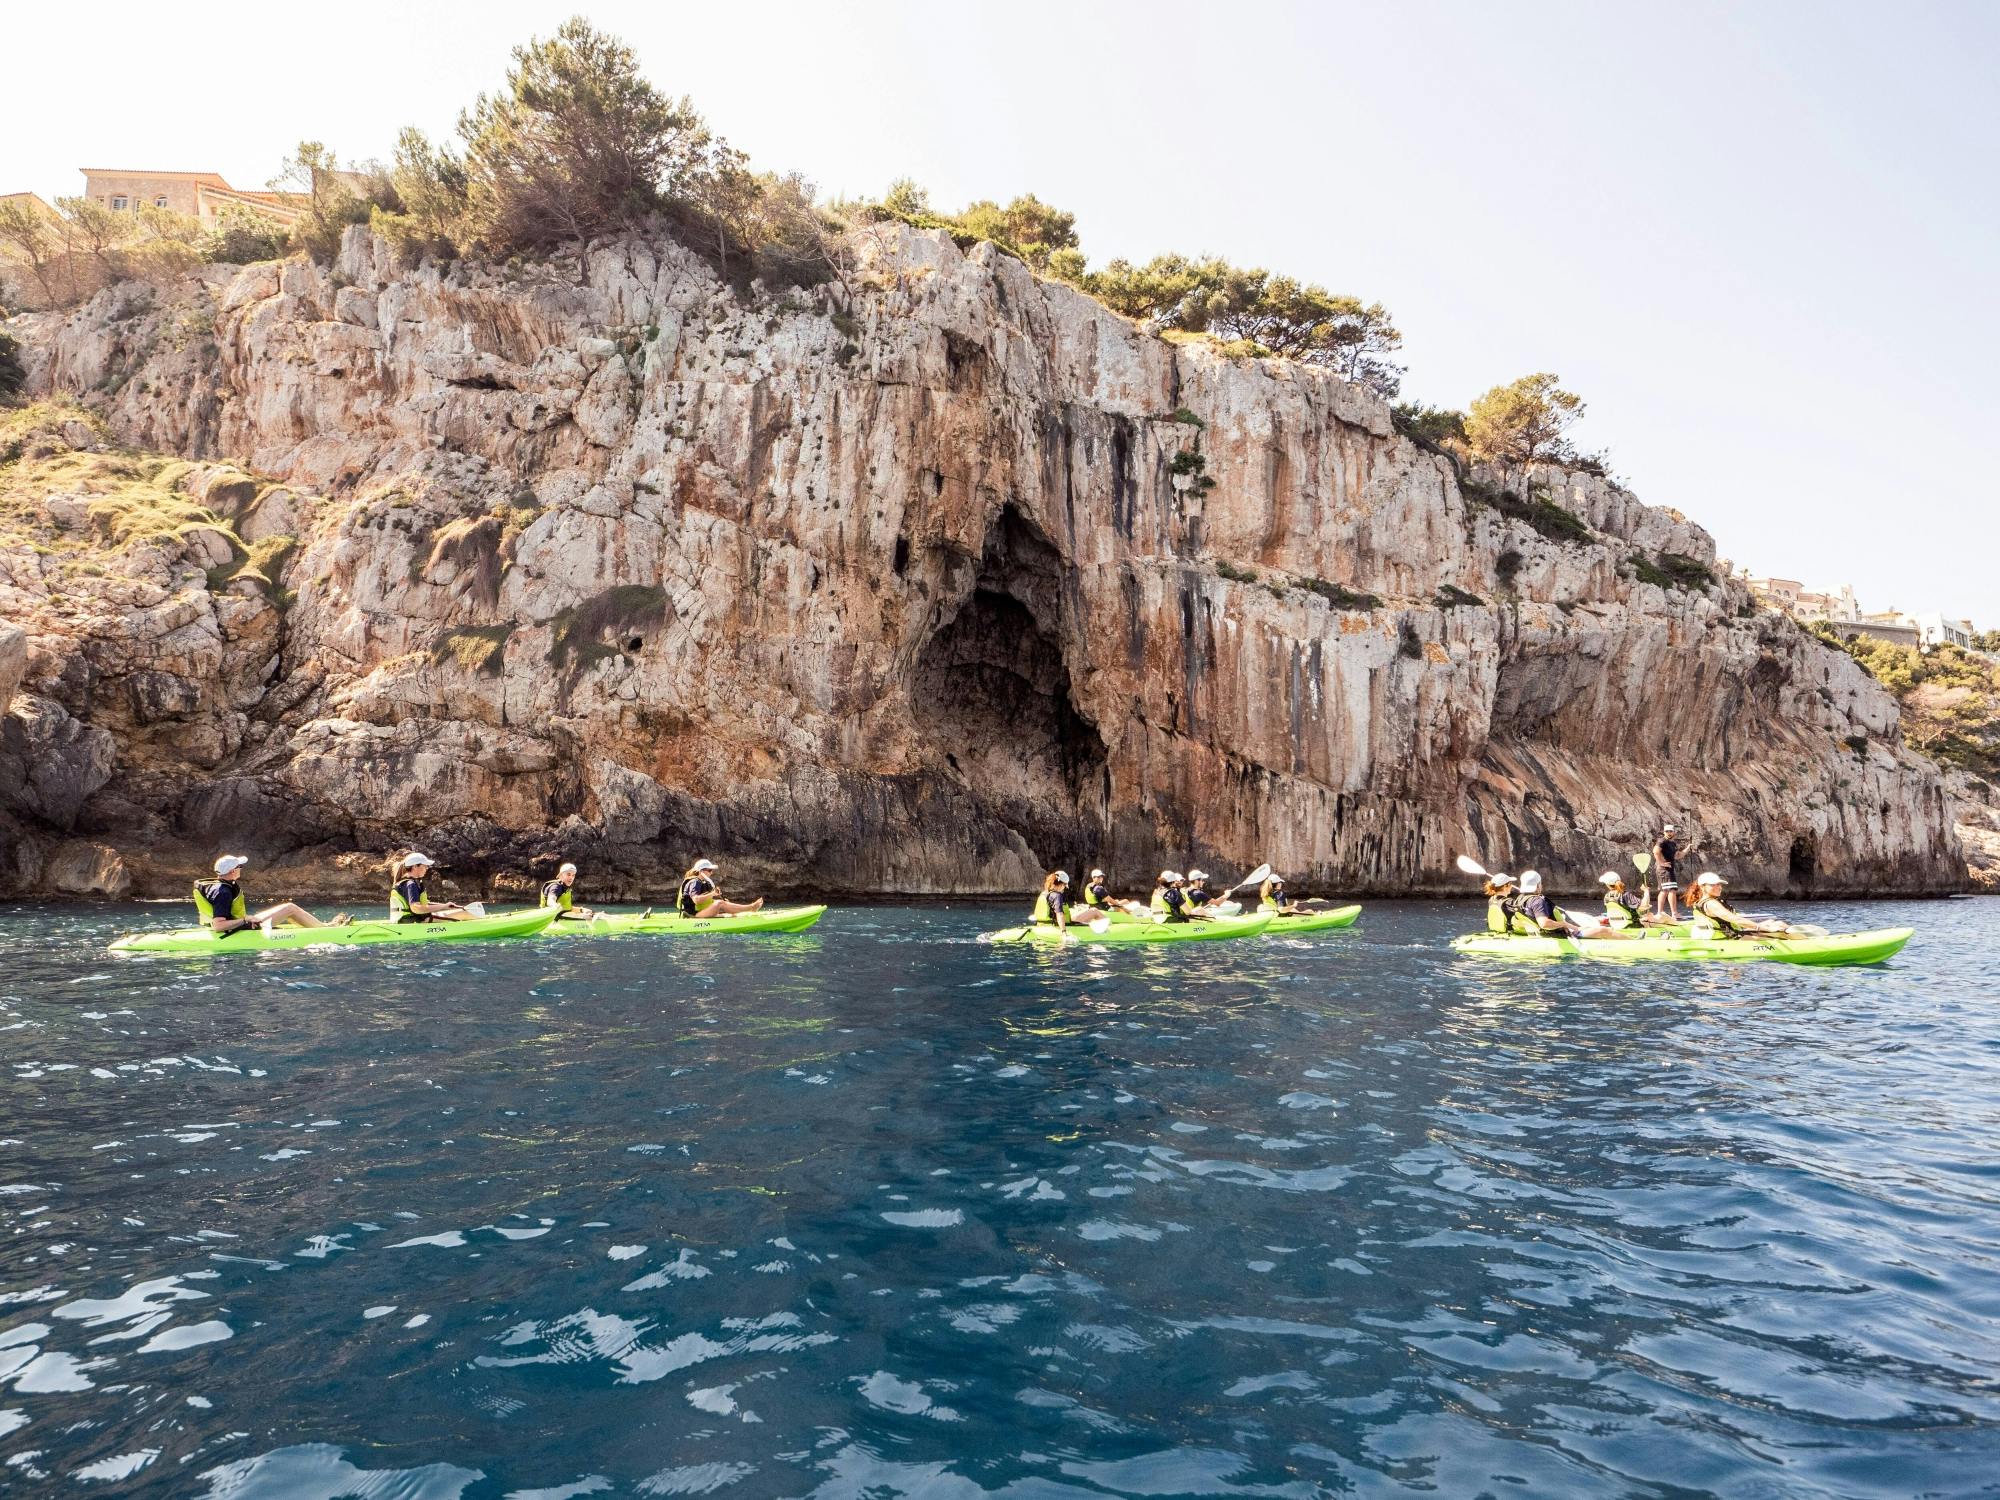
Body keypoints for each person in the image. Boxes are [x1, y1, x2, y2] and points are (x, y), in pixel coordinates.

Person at [193, 854, 346, 934]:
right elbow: (218, 926)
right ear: (233, 871)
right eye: (240, 866)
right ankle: (325, 929)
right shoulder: (223, 892)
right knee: (290, 908)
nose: (241, 869)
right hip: (236, 929)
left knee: (288, 908)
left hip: (240, 924)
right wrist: (245, 920)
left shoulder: (218, 886)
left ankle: (319, 926)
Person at [1688, 872, 1802, 939]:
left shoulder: (1707, 901)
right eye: (1714, 885)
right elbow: (1734, 919)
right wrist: (1761, 928)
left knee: (1777, 923)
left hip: (1731, 933)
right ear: (1703, 887)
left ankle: (1808, 938)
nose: (1719, 887)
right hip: (1730, 938)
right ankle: (1807, 943)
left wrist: (1763, 925)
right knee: (1779, 931)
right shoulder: (1711, 903)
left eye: (1719, 884)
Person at [390, 853, 474, 922]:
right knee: (466, 913)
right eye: (425, 866)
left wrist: (445, 905)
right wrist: (444, 906)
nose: (427, 868)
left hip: (408, 920)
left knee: (460, 912)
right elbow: (416, 908)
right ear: (415, 866)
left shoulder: (406, 882)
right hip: (417, 921)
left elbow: (422, 904)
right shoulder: (410, 884)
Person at [678, 858, 764, 919]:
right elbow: (696, 900)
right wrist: (712, 894)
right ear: (701, 871)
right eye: (709, 870)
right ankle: (751, 907)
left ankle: (745, 909)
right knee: (719, 903)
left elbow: (704, 901)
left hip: (700, 911)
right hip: (693, 915)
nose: (711, 873)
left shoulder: (702, 882)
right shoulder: (694, 882)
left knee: (722, 903)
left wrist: (714, 896)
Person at [1516, 871, 1592, 937]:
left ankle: (1578, 928)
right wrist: (1564, 924)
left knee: (1584, 928)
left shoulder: (1520, 899)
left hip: (1534, 933)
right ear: (1538, 885)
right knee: (1603, 930)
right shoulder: (1538, 901)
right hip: (1554, 934)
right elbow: (1544, 924)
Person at [1651, 822, 1692, 921]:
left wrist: (1687, 848)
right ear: (1664, 832)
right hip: (1664, 870)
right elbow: (1655, 851)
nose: (1669, 833)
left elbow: (1677, 856)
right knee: (1670, 890)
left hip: (1669, 869)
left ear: (1674, 832)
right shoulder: (1662, 841)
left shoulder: (1672, 843)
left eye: (1671, 831)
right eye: (1667, 831)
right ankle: (1672, 913)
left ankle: (1663, 913)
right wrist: (1661, 863)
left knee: (1666, 890)